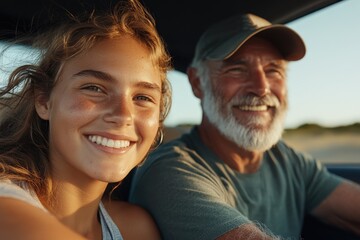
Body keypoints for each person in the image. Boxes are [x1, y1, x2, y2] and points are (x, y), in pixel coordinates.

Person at [128, 13, 360, 239]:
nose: (261, 88)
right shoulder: (169, 171)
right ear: (197, 83)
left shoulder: (287, 161)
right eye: (237, 69)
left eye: (273, 71)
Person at [0, 0, 171, 239]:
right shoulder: (6, 207)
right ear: (43, 100)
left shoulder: (135, 228)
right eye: (95, 88)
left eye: (142, 97)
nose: (123, 115)